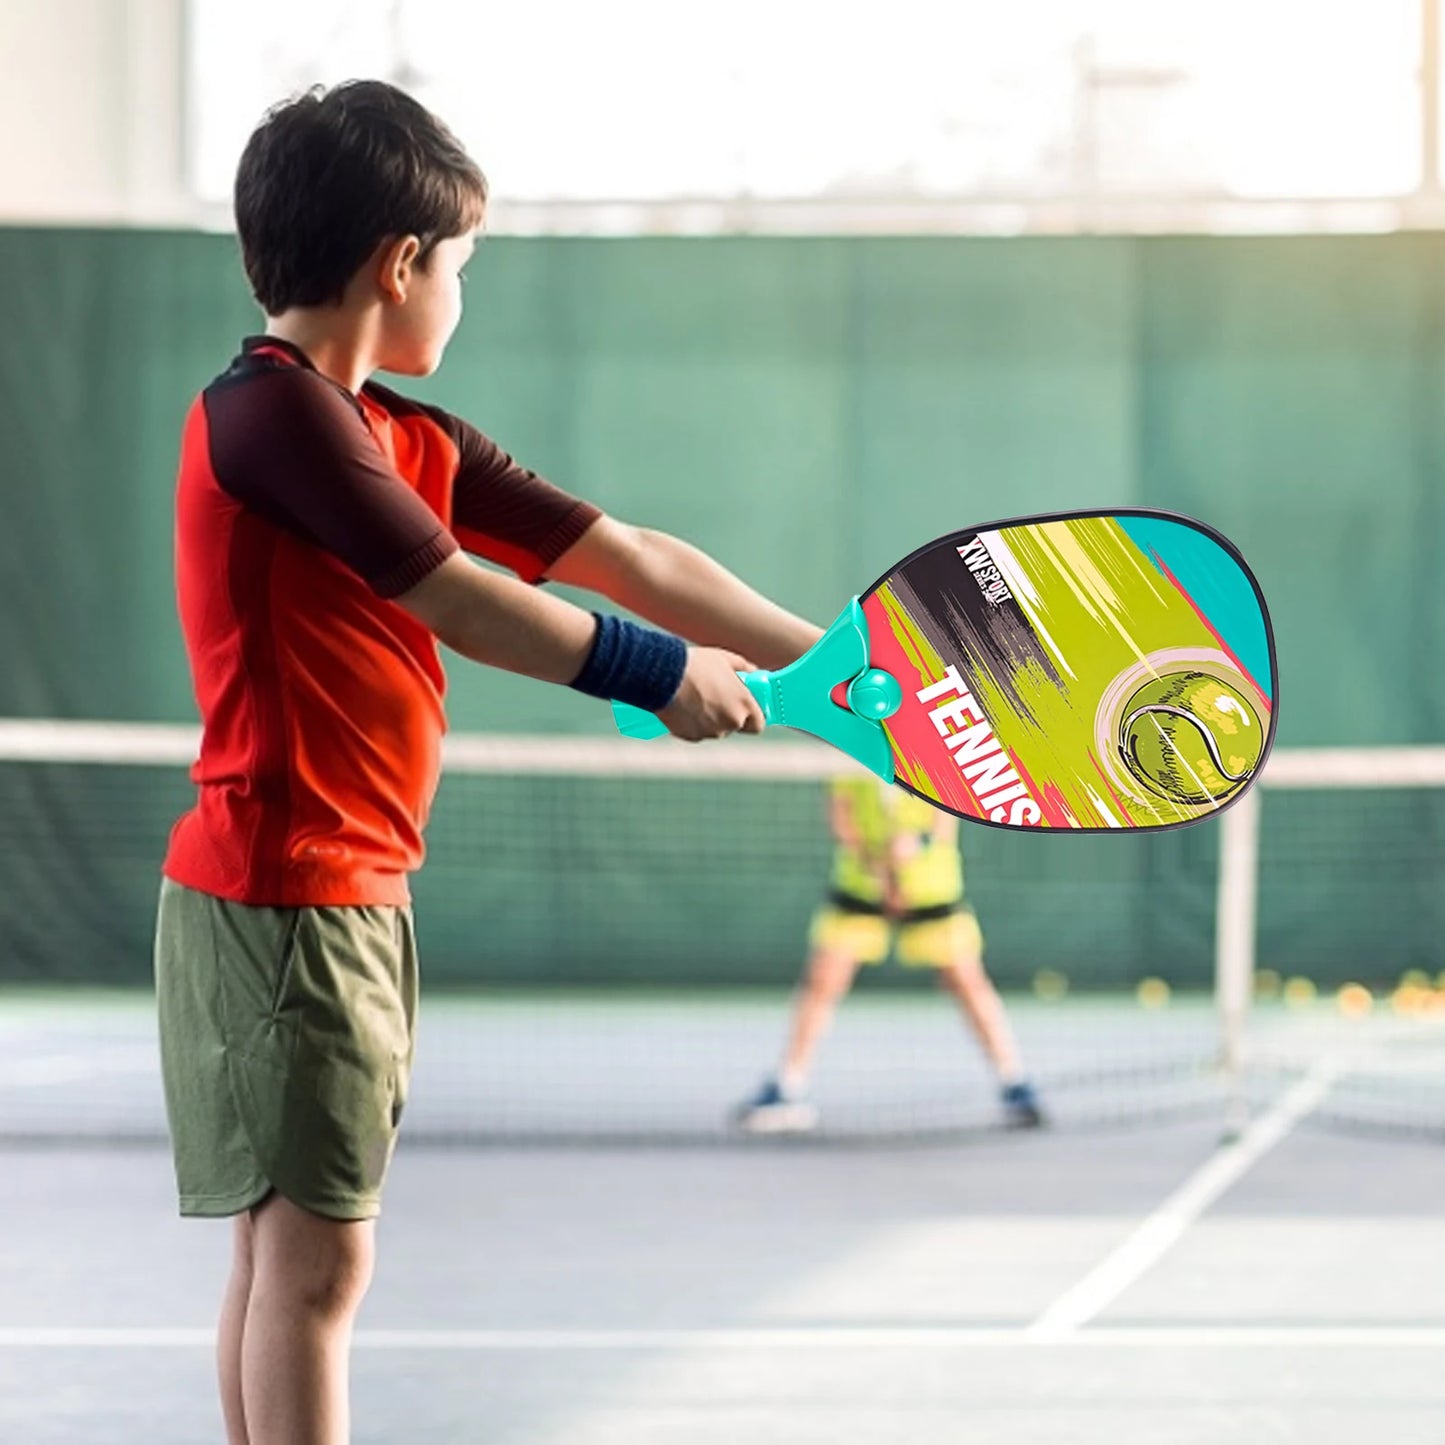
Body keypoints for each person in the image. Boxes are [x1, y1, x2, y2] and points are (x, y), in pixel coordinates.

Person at [154, 80, 821, 1445]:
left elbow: (630, 555)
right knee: (313, 1264)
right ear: (400, 263)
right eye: (460, 263)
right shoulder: (273, 417)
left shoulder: (404, 435)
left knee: (289, 1257)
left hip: (339, 888)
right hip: (289, 891)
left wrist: (843, 661)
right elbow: (453, 594)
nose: (461, 289)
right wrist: (657, 672)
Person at [736, 774, 1045, 1133]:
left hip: (930, 889)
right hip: (862, 886)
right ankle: (787, 1086)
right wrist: (880, 869)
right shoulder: (847, 751)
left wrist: (917, 847)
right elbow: (841, 818)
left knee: (967, 982)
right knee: (822, 980)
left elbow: (947, 815)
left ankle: (1015, 1082)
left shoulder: (930, 747)